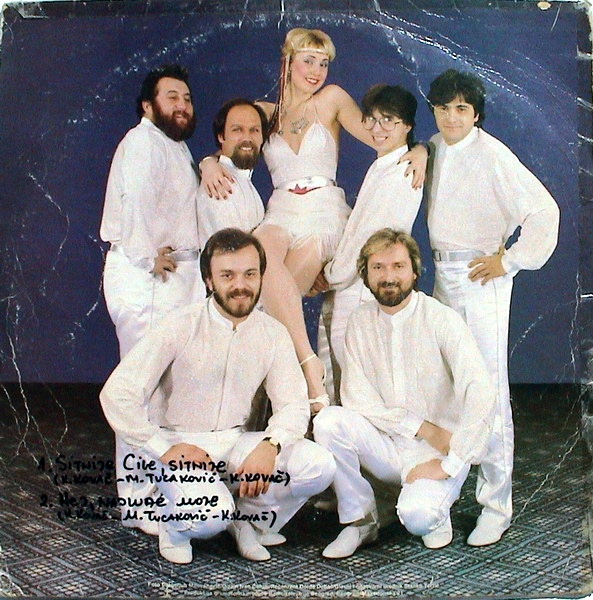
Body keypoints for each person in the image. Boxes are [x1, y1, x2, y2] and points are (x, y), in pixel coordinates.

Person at [201, 28, 428, 411]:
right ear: (288, 62)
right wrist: (208, 163)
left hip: (323, 211)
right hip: (280, 210)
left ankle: (264, 401)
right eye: (309, 61)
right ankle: (308, 371)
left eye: (323, 64)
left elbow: (384, 136)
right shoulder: (264, 112)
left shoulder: (332, 99)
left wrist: (421, 150)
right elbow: (232, 146)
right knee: (259, 263)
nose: (317, 71)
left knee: (270, 308)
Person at [100, 228, 336, 564]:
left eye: (250, 274)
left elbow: (293, 404)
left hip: (233, 442)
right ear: (209, 281)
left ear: (261, 277)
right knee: (212, 517)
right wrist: (162, 448)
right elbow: (117, 394)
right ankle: (174, 528)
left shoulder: (273, 333)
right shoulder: (180, 324)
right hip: (178, 447)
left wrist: (271, 445)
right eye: (227, 275)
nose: (240, 285)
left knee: (318, 465)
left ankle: (248, 521)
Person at [426, 69, 560, 546]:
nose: (451, 117)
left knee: (488, 388)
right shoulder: (433, 148)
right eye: (443, 108)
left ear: (476, 114)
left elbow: (544, 211)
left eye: (461, 109)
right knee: (444, 388)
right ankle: (438, 500)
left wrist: (509, 260)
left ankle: (495, 506)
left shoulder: (493, 153)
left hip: (481, 278)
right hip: (442, 275)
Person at [313, 229, 496, 559]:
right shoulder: (359, 322)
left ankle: (430, 505)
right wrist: (421, 427)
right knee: (329, 421)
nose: (388, 277)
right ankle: (360, 520)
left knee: (419, 518)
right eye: (378, 267)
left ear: (414, 271)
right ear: (366, 275)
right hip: (388, 446)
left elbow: (480, 389)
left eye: (398, 266)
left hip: (436, 452)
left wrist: (452, 462)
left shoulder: (441, 318)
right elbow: (357, 399)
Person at [100, 65, 206, 534]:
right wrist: (147, 259)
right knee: (140, 389)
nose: (182, 105)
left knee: (164, 389)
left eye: (187, 98)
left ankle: (158, 491)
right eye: (171, 97)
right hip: (146, 277)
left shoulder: (175, 145)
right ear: (148, 105)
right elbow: (136, 203)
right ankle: (138, 501)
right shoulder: (142, 141)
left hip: (173, 275)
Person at [313, 84, 422, 399]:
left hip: (361, 288)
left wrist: (330, 275)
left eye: (388, 120)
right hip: (349, 284)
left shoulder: (402, 173)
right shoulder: (384, 165)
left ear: (407, 126)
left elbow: (369, 241)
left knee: (357, 380)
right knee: (341, 375)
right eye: (372, 119)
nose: (377, 128)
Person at [197, 98, 268, 247]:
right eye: (237, 130)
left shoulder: (242, 180)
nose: (247, 138)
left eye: (254, 130)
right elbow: (233, 252)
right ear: (221, 136)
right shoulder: (219, 183)